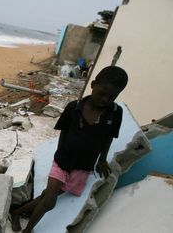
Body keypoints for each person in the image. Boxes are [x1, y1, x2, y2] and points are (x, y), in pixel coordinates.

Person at [11, 66, 128, 233]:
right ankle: (27, 230)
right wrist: (60, 153)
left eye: (111, 97)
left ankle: (17, 212)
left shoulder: (116, 113)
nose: (104, 99)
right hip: (62, 161)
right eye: (101, 93)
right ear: (93, 84)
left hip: (84, 165)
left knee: (47, 196)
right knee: (50, 201)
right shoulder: (74, 107)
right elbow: (64, 131)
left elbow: (109, 136)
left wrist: (102, 159)